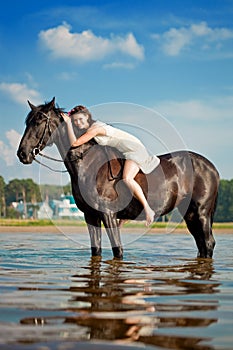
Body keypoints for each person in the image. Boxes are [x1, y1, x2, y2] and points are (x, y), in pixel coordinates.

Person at [61, 105, 160, 226]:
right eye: (75, 121)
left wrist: (68, 124)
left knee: (127, 179)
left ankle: (148, 209)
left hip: (134, 149)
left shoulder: (95, 129)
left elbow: (75, 143)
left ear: (87, 116)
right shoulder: (92, 128)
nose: (77, 123)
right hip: (124, 151)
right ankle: (127, 213)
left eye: (80, 119)